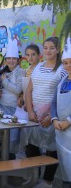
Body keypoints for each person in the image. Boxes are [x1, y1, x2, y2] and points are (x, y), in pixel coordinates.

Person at [25, 37, 66, 188]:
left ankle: (48, 181)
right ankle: (35, 177)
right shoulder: (38, 66)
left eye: (52, 48)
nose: (48, 51)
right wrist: (30, 111)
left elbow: (62, 96)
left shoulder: (62, 69)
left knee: (51, 148)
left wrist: (52, 116)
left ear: (58, 50)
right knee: (31, 145)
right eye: (46, 47)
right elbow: (29, 90)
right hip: (34, 113)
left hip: (51, 114)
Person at [0, 39, 25, 160]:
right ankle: (2, 159)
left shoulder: (21, 72)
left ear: (18, 60)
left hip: (15, 109)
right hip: (2, 107)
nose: (11, 61)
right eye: (8, 59)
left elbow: (18, 89)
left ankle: (9, 159)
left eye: (14, 58)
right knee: (2, 136)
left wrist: (4, 80)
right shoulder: (3, 72)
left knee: (13, 137)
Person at [51, 38, 71, 188]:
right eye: (65, 63)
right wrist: (54, 119)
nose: (68, 66)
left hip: (69, 125)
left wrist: (68, 121)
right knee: (64, 161)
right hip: (60, 129)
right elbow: (54, 103)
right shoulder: (62, 81)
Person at [15, 44, 41, 151]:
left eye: (33, 54)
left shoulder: (41, 69)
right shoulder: (27, 70)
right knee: (27, 138)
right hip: (26, 107)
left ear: (39, 55)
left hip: (36, 106)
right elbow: (26, 88)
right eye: (28, 55)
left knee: (36, 138)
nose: (30, 57)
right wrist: (21, 96)